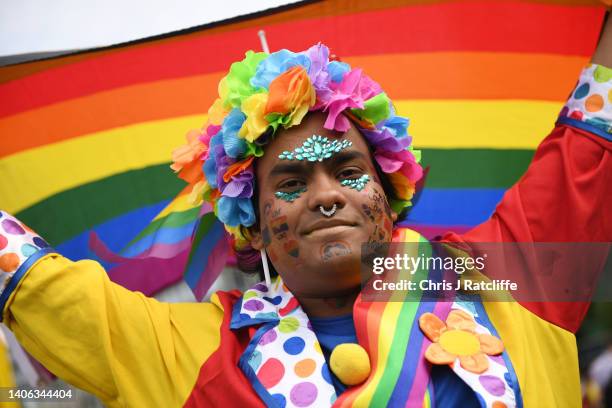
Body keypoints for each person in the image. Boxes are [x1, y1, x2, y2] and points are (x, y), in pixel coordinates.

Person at [0, 12, 611, 408]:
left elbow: (594, 136)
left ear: (389, 195)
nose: (326, 195)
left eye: (349, 172)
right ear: (257, 227)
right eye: (291, 183)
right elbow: (38, 286)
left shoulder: (507, 278)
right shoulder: (193, 351)